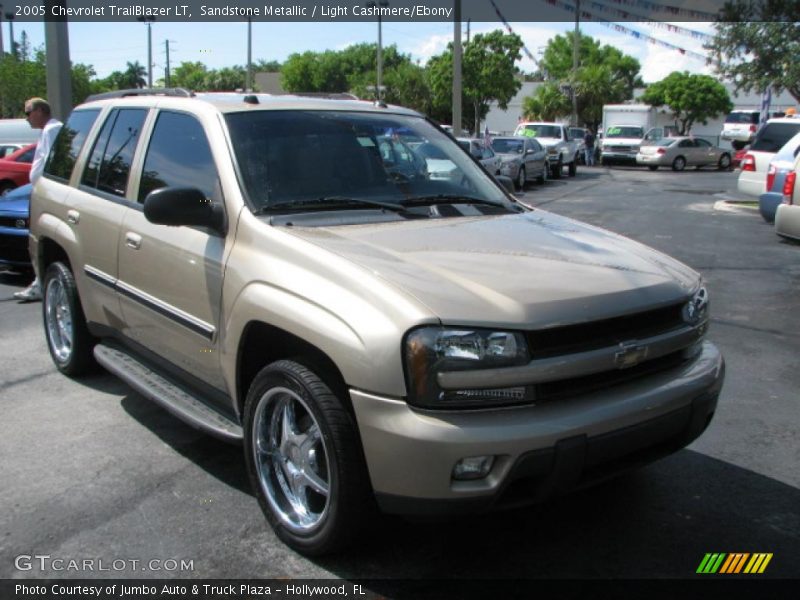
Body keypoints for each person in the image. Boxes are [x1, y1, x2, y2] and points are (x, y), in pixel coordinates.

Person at [13, 98, 63, 302]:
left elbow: (52, 161)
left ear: (41, 110)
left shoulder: (52, 129)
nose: (26, 118)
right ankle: (39, 282)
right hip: (41, 191)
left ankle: (41, 284)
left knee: (38, 241)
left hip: (47, 194)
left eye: (28, 112)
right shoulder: (48, 130)